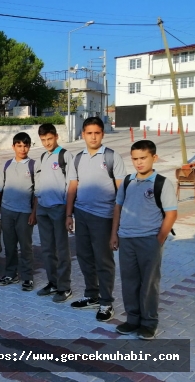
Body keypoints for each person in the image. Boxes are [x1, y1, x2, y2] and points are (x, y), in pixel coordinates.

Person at [110, 140, 177, 340]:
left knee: (149, 282)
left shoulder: (161, 183)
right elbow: (118, 208)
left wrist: (159, 239)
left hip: (149, 240)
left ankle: (149, 323)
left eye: (143, 158)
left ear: (153, 158)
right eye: (135, 159)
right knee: (129, 281)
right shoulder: (128, 181)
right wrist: (114, 234)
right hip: (127, 239)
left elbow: (171, 214)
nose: (139, 163)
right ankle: (133, 319)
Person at [66, 116, 126, 322]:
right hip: (81, 215)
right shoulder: (77, 158)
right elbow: (72, 187)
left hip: (104, 217)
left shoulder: (111, 157)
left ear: (102, 134)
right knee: (84, 257)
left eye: (97, 133)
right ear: (83, 134)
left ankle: (106, 302)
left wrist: (117, 225)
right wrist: (68, 214)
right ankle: (91, 295)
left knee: (104, 261)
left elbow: (121, 191)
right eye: (89, 133)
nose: (93, 137)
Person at [34, 123, 76, 302]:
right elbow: (38, 185)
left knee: (61, 249)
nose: (47, 143)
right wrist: (36, 209)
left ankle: (64, 287)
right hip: (43, 208)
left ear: (56, 136)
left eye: (49, 139)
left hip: (59, 209)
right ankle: (52, 282)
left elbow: (72, 185)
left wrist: (68, 214)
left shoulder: (65, 155)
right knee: (47, 249)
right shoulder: (42, 157)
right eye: (43, 140)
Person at [0, 133, 37, 291]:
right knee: (9, 245)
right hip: (7, 211)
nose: (22, 149)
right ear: (13, 147)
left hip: (25, 213)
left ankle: (27, 277)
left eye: (26, 145)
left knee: (25, 246)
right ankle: (11, 274)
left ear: (29, 147)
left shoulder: (33, 165)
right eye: (19, 145)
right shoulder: (6, 165)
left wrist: (34, 213)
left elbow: (37, 192)